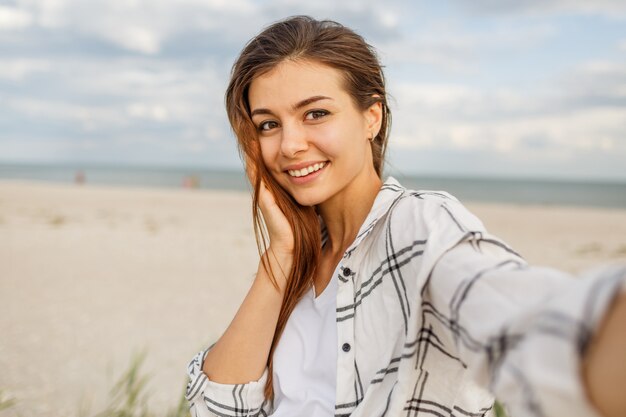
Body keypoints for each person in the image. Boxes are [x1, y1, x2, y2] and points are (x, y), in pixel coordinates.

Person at [185, 16, 626, 417]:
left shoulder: (421, 227)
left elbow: (524, 319)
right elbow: (217, 406)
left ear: (371, 117)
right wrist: (280, 255)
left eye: (315, 114)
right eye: (268, 124)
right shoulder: (300, 253)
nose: (289, 145)